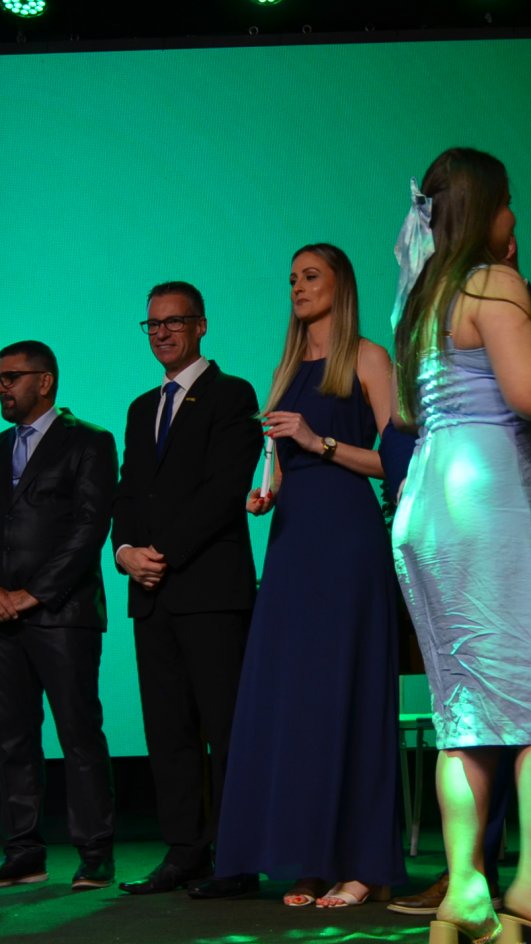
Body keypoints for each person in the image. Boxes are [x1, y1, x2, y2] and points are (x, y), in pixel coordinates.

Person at [390, 147, 531, 944]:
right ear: (488, 208)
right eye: (510, 200)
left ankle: (466, 887)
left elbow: (409, 414)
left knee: (467, 714)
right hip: (489, 503)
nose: (516, 216)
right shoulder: (493, 283)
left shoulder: (421, 297)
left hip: (427, 504)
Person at [214, 243, 404, 909]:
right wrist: (265, 490)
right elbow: (276, 458)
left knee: (348, 693)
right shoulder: (285, 369)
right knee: (297, 701)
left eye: (311, 276)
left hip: (348, 541)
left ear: (340, 284)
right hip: (293, 544)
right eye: (292, 277)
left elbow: (399, 462)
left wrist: (317, 442)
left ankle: (363, 864)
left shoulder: (370, 359)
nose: (297, 286)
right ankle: (309, 861)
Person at [112, 282, 263, 898]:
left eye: (174, 322)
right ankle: (185, 851)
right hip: (150, 593)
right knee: (168, 729)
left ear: (201, 326)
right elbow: (128, 491)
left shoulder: (233, 394)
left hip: (210, 591)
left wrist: (162, 554)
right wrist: (125, 552)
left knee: (225, 729)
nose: (162, 333)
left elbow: (224, 490)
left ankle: (236, 857)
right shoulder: (140, 407)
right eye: (153, 324)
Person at [0, 340, 119, 890]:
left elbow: (89, 528)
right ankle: (23, 853)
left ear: (44, 381)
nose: (1, 387)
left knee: (79, 734)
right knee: (13, 739)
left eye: (11, 378)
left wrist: (34, 594)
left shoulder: (90, 441)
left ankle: (95, 852)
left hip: (63, 615)